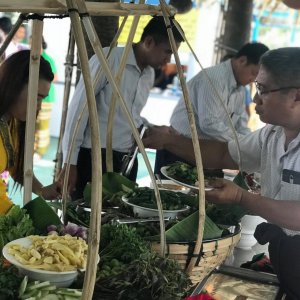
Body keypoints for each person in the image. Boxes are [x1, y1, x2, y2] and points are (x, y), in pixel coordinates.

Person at [143, 47, 300, 298]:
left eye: (262, 90)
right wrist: (168, 142)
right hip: (285, 254)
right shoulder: (271, 134)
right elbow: (224, 154)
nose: (255, 100)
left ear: (296, 96)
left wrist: (241, 198)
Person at [60, 16, 184, 200]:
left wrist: (151, 129)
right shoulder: (109, 59)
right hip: (94, 157)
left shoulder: (148, 74)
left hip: (126, 159)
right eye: (167, 52)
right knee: (84, 218)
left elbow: (131, 114)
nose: (168, 60)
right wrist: (69, 162)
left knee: (117, 219)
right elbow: (79, 110)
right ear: (149, 42)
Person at [154, 42, 269, 176]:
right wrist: (243, 144)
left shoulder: (240, 89)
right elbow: (209, 123)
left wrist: (250, 145)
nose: (252, 80)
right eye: (254, 73)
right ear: (242, 61)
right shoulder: (214, 79)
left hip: (207, 154)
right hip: (179, 149)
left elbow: (240, 124)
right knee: (170, 194)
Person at [0, 50, 61, 211]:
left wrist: (42, 190)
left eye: (43, 98)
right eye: (37, 97)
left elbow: (16, 167)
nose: (39, 106)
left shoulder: (11, 121)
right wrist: (18, 218)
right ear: (15, 86)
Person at [34, 36, 58, 157]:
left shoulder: (47, 59)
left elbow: (55, 77)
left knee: (42, 125)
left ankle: (40, 152)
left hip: (46, 99)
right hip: (34, 97)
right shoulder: (33, 57)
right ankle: (33, 149)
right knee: (33, 123)